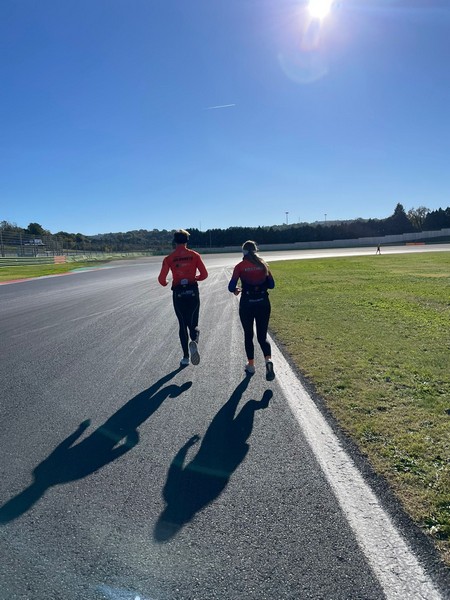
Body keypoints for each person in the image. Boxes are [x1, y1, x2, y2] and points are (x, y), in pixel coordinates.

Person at [158, 229, 208, 366]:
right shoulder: (195, 255)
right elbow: (204, 274)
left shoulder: (169, 258)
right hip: (192, 291)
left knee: (182, 324)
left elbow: (162, 280)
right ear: (187, 241)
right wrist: (194, 277)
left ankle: (185, 357)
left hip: (178, 293)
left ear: (175, 241)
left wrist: (168, 282)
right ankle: (195, 342)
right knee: (194, 324)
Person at [228, 240, 275, 381]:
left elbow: (231, 287)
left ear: (243, 252)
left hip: (247, 303)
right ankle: (268, 361)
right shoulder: (263, 265)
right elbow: (272, 285)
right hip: (263, 302)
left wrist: (237, 289)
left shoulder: (240, 266)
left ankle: (251, 365)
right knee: (262, 337)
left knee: (249, 335)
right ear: (255, 250)